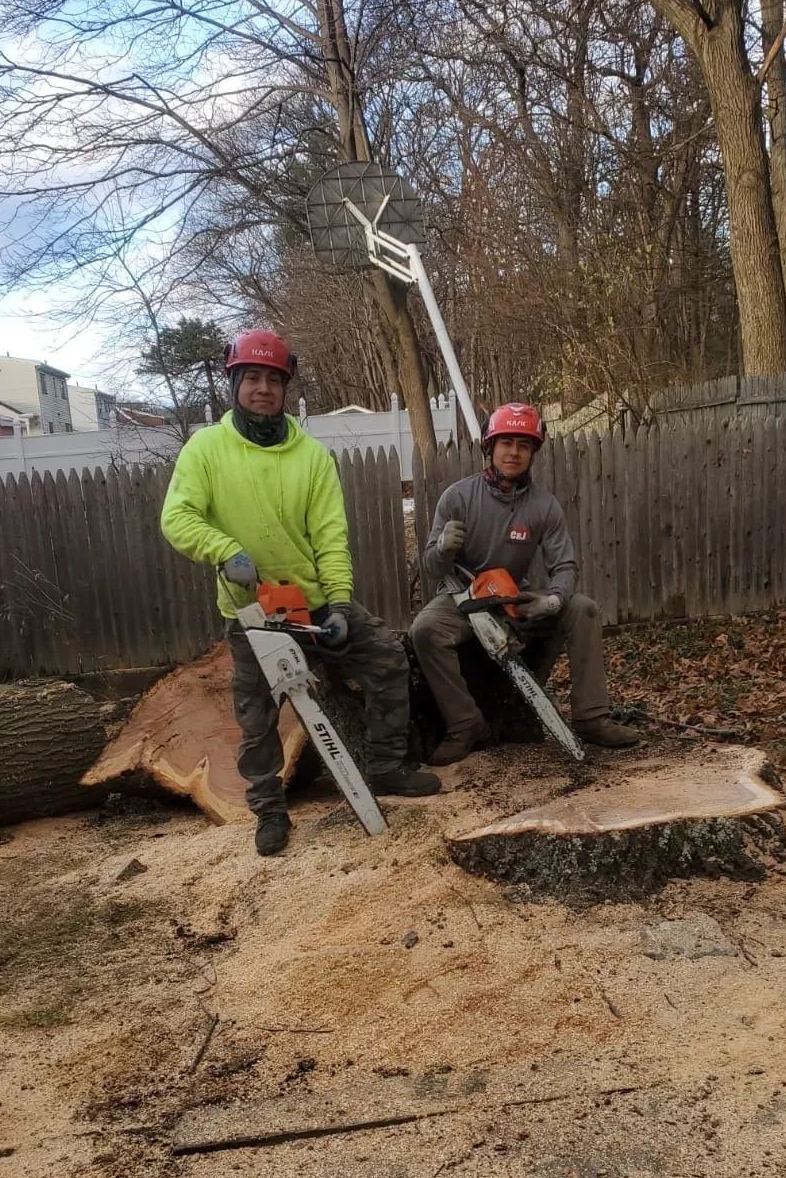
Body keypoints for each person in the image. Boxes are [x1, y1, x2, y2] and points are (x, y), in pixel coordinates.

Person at [160, 327, 440, 856]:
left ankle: (384, 766)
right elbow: (177, 517)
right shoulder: (207, 449)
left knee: (385, 658)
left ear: (284, 387)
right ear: (235, 383)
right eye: (253, 378)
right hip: (251, 611)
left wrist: (336, 602)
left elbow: (331, 537)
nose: (263, 388)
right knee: (257, 714)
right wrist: (222, 549)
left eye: (272, 379)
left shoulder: (310, 456)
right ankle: (268, 808)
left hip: (310, 601)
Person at [410, 402, 640, 765]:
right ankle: (465, 723)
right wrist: (442, 548)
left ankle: (592, 717)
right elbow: (431, 566)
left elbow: (564, 565)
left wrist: (553, 600)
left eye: (523, 444)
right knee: (425, 630)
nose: (513, 452)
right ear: (490, 446)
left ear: (533, 451)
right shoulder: (457, 497)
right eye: (506, 443)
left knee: (583, 609)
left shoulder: (544, 506)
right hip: (462, 597)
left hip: (514, 596)